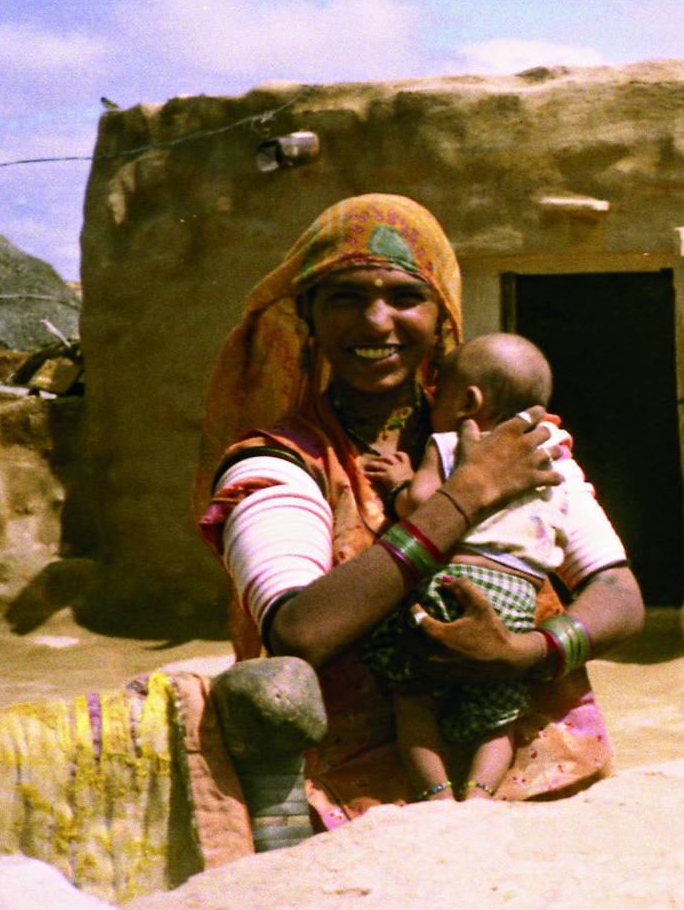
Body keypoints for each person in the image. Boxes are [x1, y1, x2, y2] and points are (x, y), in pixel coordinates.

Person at [196, 194, 644, 825]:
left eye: (406, 297)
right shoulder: (277, 463)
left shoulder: (515, 440)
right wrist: (466, 497)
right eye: (346, 297)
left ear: (442, 316)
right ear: (309, 315)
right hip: (352, 808)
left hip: (539, 791)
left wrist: (528, 655)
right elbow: (299, 629)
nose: (376, 322)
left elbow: (619, 594)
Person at [356, 333, 627, 803]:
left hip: (457, 583)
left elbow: (422, 503)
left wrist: (400, 482)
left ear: (469, 401)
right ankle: (481, 794)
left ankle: (436, 794)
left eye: (437, 392)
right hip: (517, 599)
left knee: (413, 694)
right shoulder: (558, 461)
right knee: (499, 711)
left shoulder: (450, 442)